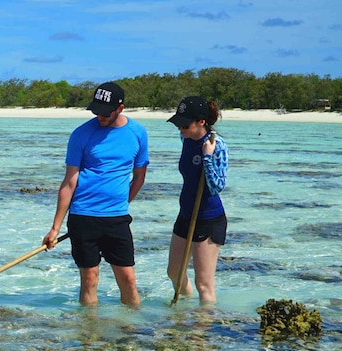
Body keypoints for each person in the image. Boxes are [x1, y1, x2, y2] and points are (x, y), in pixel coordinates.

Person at [43, 81, 149, 307]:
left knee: (128, 279)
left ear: (120, 109)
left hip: (116, 219)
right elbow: (69, 182)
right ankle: (89, 337)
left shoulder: (137, 133)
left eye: (105, 112)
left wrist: (121, 202)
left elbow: (139, 177)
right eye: (96, 111)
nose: (100, 116)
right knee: (89, 279)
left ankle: (133, 334)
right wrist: (55, 228)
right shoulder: (81, 134)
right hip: (83, 218)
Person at [166, 96, 229, 305]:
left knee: (204, 283)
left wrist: (208, 158)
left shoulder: (216, 144)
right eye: (178, 124)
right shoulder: (185, 139)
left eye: (185, 124)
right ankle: (184, 312)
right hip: (185, 215)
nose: (180, 129)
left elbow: (217, 186)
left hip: (208, 219)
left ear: (201, 122)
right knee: (174, 273)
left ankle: (201, 333)